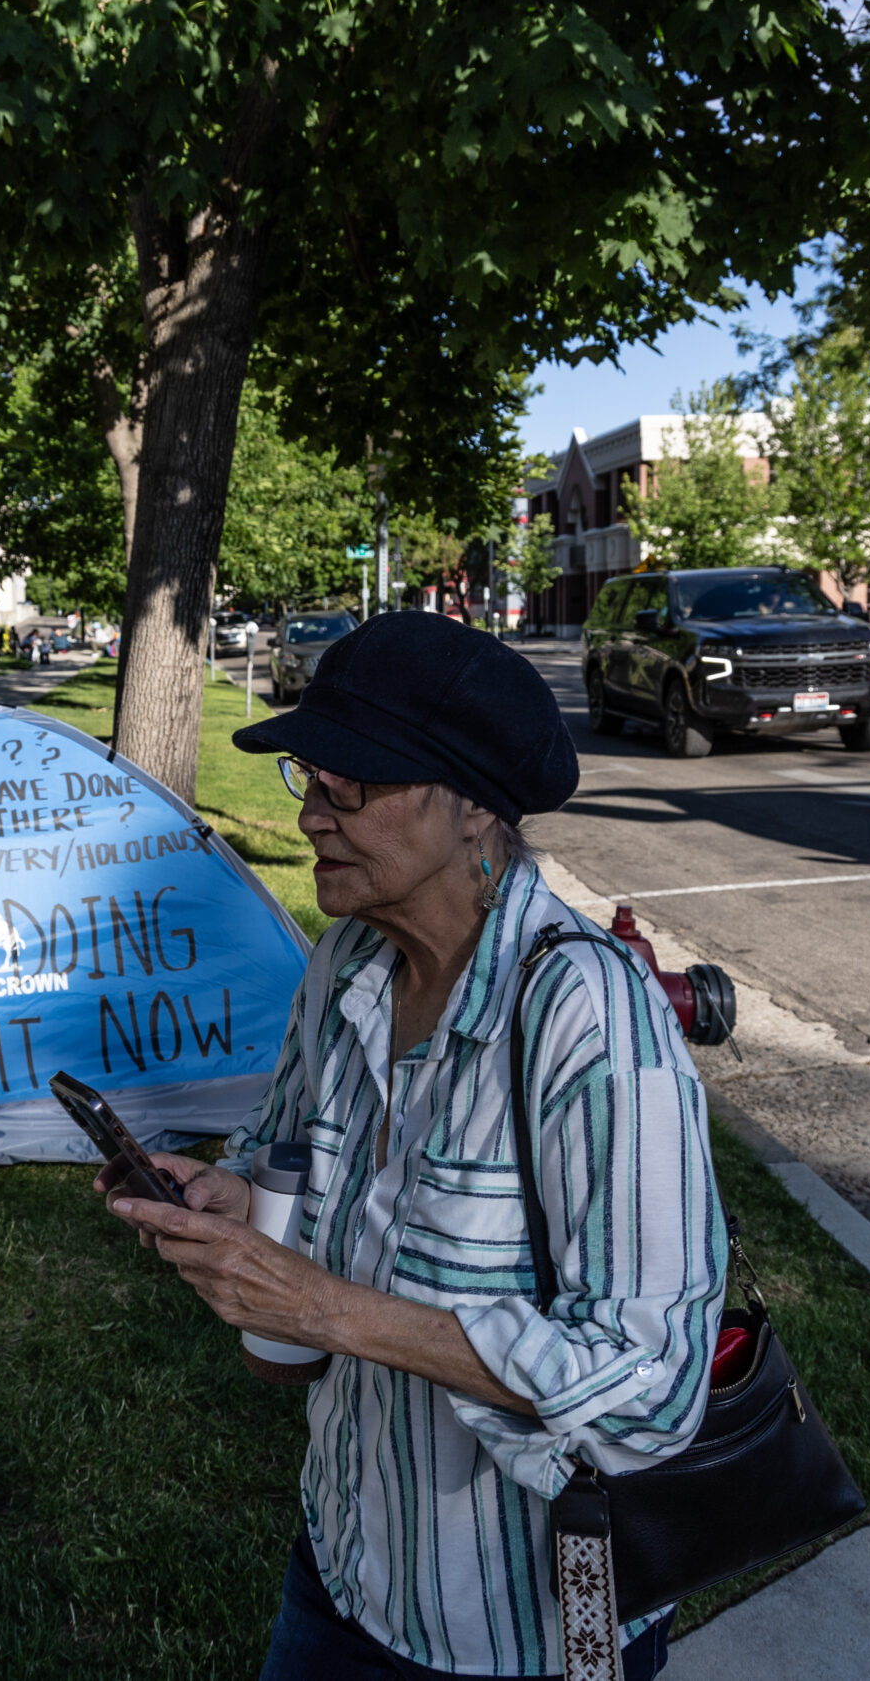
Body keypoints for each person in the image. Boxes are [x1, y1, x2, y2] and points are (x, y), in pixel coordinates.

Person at [102, 611, 725, 1680]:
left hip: (514, 1629)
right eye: (309, 777)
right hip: (343, 1566)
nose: (309, 816)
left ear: (476, 804)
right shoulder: (346, 959)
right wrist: (228, 1196)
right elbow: (282, 1150)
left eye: (353, 786)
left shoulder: (585, 1013)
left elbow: (652, 1384)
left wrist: (317, 1307)